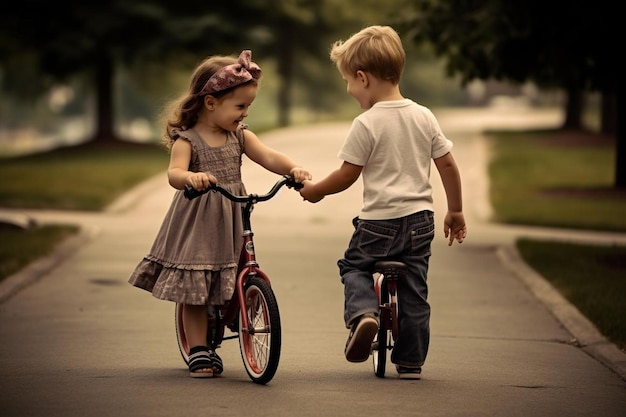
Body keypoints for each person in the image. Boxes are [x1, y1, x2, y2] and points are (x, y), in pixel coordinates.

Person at [128, 50, 312, 378]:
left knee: (238, 266)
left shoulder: (239, 137)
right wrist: (191, 178)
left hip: (232, 215)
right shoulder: (188, 140)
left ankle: (238, 308)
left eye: (248, 107)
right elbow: (174, 174)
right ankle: (198, 349)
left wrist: (294, 169)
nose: (244, 114)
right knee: (197, 284)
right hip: (198, 220)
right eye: (239, 106)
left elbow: (269, 156)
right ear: (211, 103)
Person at [298, 26, 467, 380]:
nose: (348, 89)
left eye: (348, 81)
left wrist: (316, 190)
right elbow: (448, 165)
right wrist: (455, 210)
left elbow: (347, 174)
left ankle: (365, 315)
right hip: (421, 221)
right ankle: (410, 363)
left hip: (379, 224)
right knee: (415, 291)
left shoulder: (366, 123)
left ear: (363, 78)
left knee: (354, 267)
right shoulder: (424, 115)